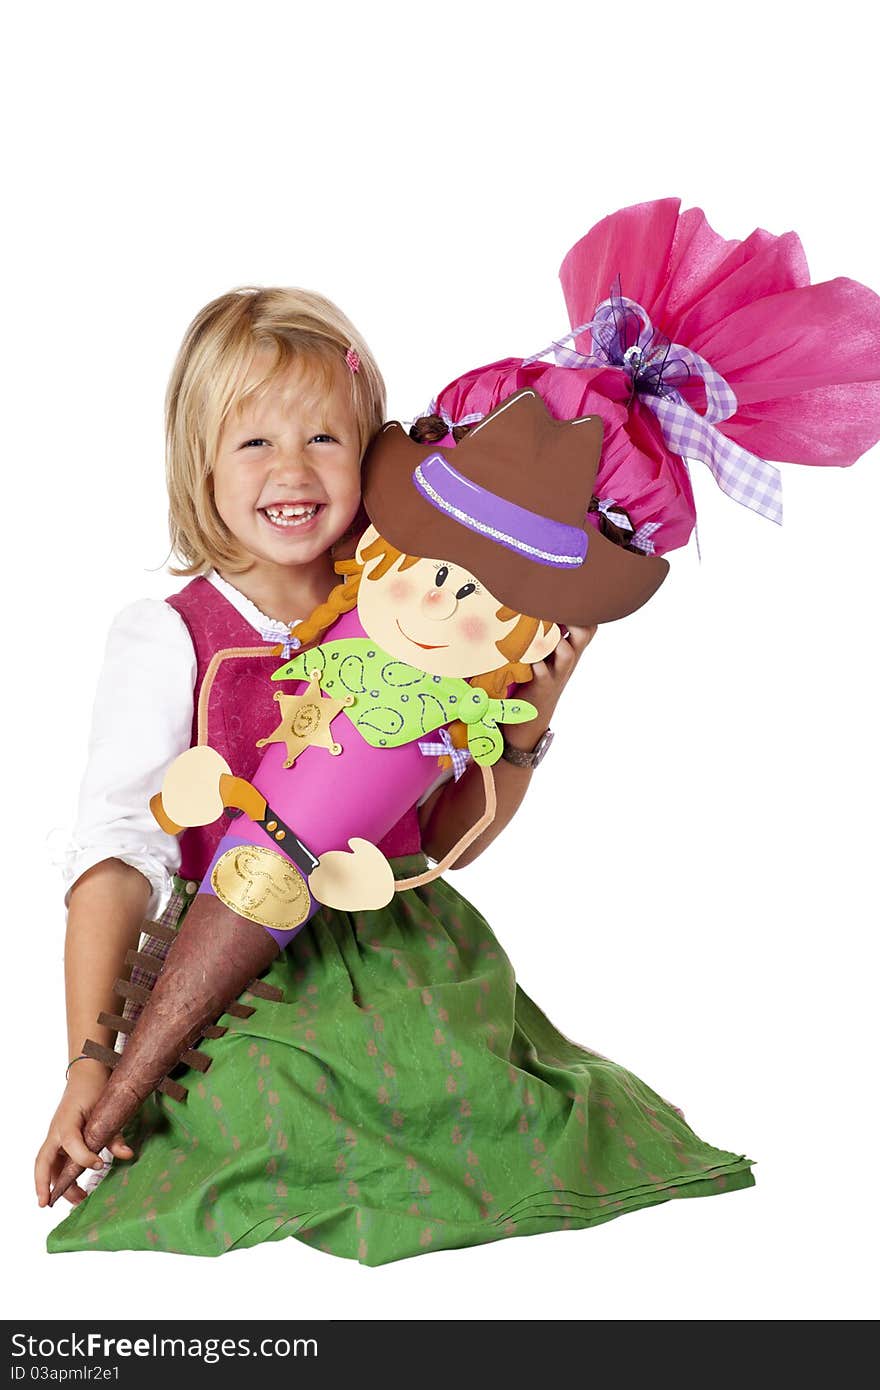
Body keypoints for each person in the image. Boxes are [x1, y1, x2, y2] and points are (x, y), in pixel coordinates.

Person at [35, 287, 594, 1241]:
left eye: (324, 440)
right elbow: (118, 858)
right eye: (253, 442)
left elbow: (445, 841)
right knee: (261, 1105)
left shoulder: (426, 611)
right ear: (198, 458)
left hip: (406, 956)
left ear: (374, 455)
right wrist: (92, 1058)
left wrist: (533, 707)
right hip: (228, 971)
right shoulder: (170, 637)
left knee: (469, 1108)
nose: (291, 470)